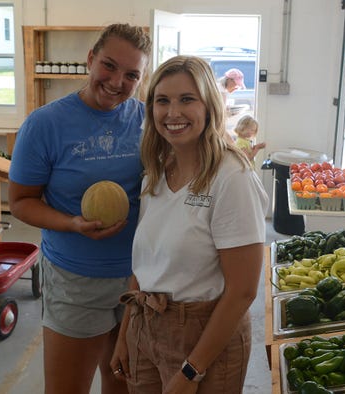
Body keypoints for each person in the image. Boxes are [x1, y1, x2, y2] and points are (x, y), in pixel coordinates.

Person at [110, 55, 269, 394]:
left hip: (204, 337)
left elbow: (242, 291)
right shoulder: (155, 172)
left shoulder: (231, 178)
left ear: (209, 105)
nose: (173, 113)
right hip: (145, 325)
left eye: (187, 99)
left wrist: (190, 371)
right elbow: (146, 261)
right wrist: (126, 335)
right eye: (162, 101)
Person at [8, 23, 151, 394]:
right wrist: (72, 222)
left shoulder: (147, 121)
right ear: (90, 59)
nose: (118, 81)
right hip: (76, 279)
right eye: (109, 65)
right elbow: (21, 203)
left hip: (142, 280)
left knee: (124, 385)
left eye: (132, 74)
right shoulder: (45, 124)